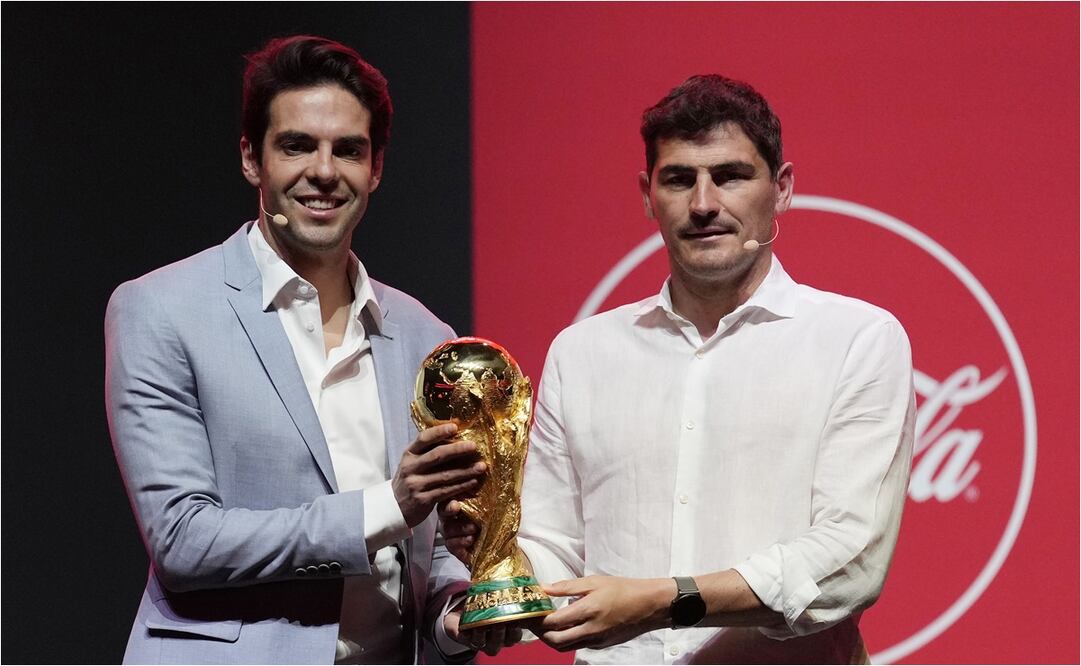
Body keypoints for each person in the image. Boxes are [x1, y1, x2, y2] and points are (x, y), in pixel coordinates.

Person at [442, 74, 916, 664]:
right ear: (647, 194)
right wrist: (498, 570)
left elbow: (849, 560)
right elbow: (555, 544)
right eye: (678, 179)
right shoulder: (582, 350)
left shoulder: (858, 340)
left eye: (730, 176)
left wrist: (667, 600)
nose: (703, 204)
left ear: (783, 188)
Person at [105, 35, 505, 664]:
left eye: (348, 150)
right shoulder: (161, 309)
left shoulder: (427, 335)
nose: (324, 171)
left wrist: (459, 615)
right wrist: (385, 507)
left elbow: (437, 551)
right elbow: (183, 540)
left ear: (375, 169)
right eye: (297, 146)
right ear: (251, 159)